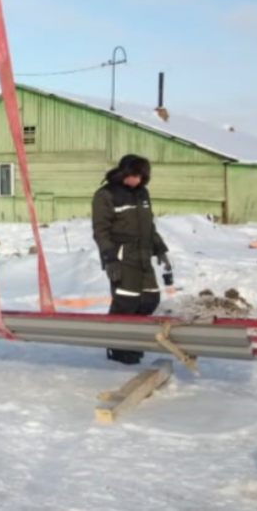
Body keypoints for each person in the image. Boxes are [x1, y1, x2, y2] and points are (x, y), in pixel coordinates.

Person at [92, 154, 173, 365]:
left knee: (150, 299)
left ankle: (131, 341)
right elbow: (101, 231)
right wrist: (110, 259)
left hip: (144, 254)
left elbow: (149, 226)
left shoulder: (142, 193)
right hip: (122, 256)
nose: (136, 181)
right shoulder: (106, 195)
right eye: (133, 175)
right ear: (123, 172)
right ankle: (117, 348)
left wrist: (160, 250)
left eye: (140, 177)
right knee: (126, 302)